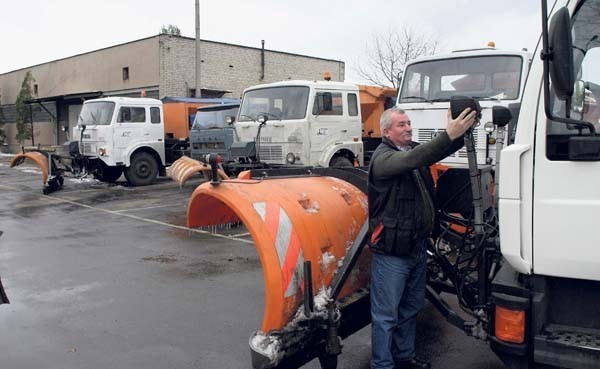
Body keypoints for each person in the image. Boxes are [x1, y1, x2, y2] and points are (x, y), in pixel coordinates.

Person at [368, 107, 477, 369]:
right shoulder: (384, 159)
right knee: (385, 316)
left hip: (416, 248)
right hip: (392, 253)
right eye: (401, 125)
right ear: (386, 132)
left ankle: (404, 357)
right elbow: (416, 158)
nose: (408, 128)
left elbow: (433, 152)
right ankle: (382, 365)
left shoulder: (411, 151)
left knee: (410, 307)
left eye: (409, 123)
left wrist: (460, 133)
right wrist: (447, 135)